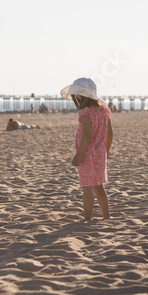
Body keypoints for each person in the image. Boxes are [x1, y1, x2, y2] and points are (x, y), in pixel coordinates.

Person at [60, 77, 113, 222]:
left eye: (78, 95)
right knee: (99, 186)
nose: (76, 98)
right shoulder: (105, 111)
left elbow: (87, 135)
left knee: (87, 187)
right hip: (101, 152)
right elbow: (110, 133)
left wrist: (78, 155)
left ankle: (88, 218)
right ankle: (106, 215)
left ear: (83, 96)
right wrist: (107, 150)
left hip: (87, 154)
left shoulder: (85, 113)